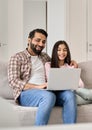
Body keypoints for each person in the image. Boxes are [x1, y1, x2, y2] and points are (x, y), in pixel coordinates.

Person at [8, 29, 78, 126]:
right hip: (26, 94)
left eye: (43, 42)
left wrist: (71, 61)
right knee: (48, 96)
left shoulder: (45, 57)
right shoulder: (17, 57)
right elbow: (13, 81)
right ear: (29, 40)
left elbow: (58, 63)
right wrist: (38, 87)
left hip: (48, 91)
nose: (41, 44)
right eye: (38, 40)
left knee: (69, 95)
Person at [45, 40, 84, 124]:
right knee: (69, 94)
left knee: (70, 95)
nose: (62, 52)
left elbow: (81, 84)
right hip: (52, 94)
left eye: (65, 50)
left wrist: (75, 69)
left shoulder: (70, 67)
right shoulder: (48, 65)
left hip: (66, 95)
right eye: (59, 50)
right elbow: (50, 82)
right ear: (55, 51)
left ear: (67, 52)